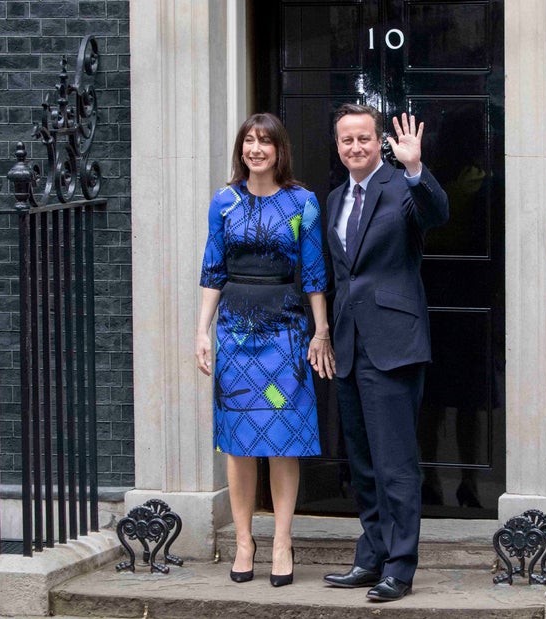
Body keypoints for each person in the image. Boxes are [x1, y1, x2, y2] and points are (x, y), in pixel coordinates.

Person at [195, 113, 334, 588]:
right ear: (241, 150)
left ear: (279, 150)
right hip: (234, 335)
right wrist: (202, 331)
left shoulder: (302, 202)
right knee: (237, 444)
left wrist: (321, 331)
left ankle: (281, 541)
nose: (256, 149)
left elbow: (314, 274)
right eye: (249, 141)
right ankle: (243, 542)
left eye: (265, 142)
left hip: (285, 336)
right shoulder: (224, 202)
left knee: (281, 440)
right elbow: (213, 270)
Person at [322, 104, 448, 601]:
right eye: (347, 140)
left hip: (394, 344)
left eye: (364, 139)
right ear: (338, 146)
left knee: (396, 463)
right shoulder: (334, 198)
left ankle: (401, 565)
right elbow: (341, 275)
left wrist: (416, 168)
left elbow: (437, 214)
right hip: (350, 344)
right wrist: (326, 333)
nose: (356, 147)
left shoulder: (403, 187)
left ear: (381, 143)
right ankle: (371, 557)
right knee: (365, 463)